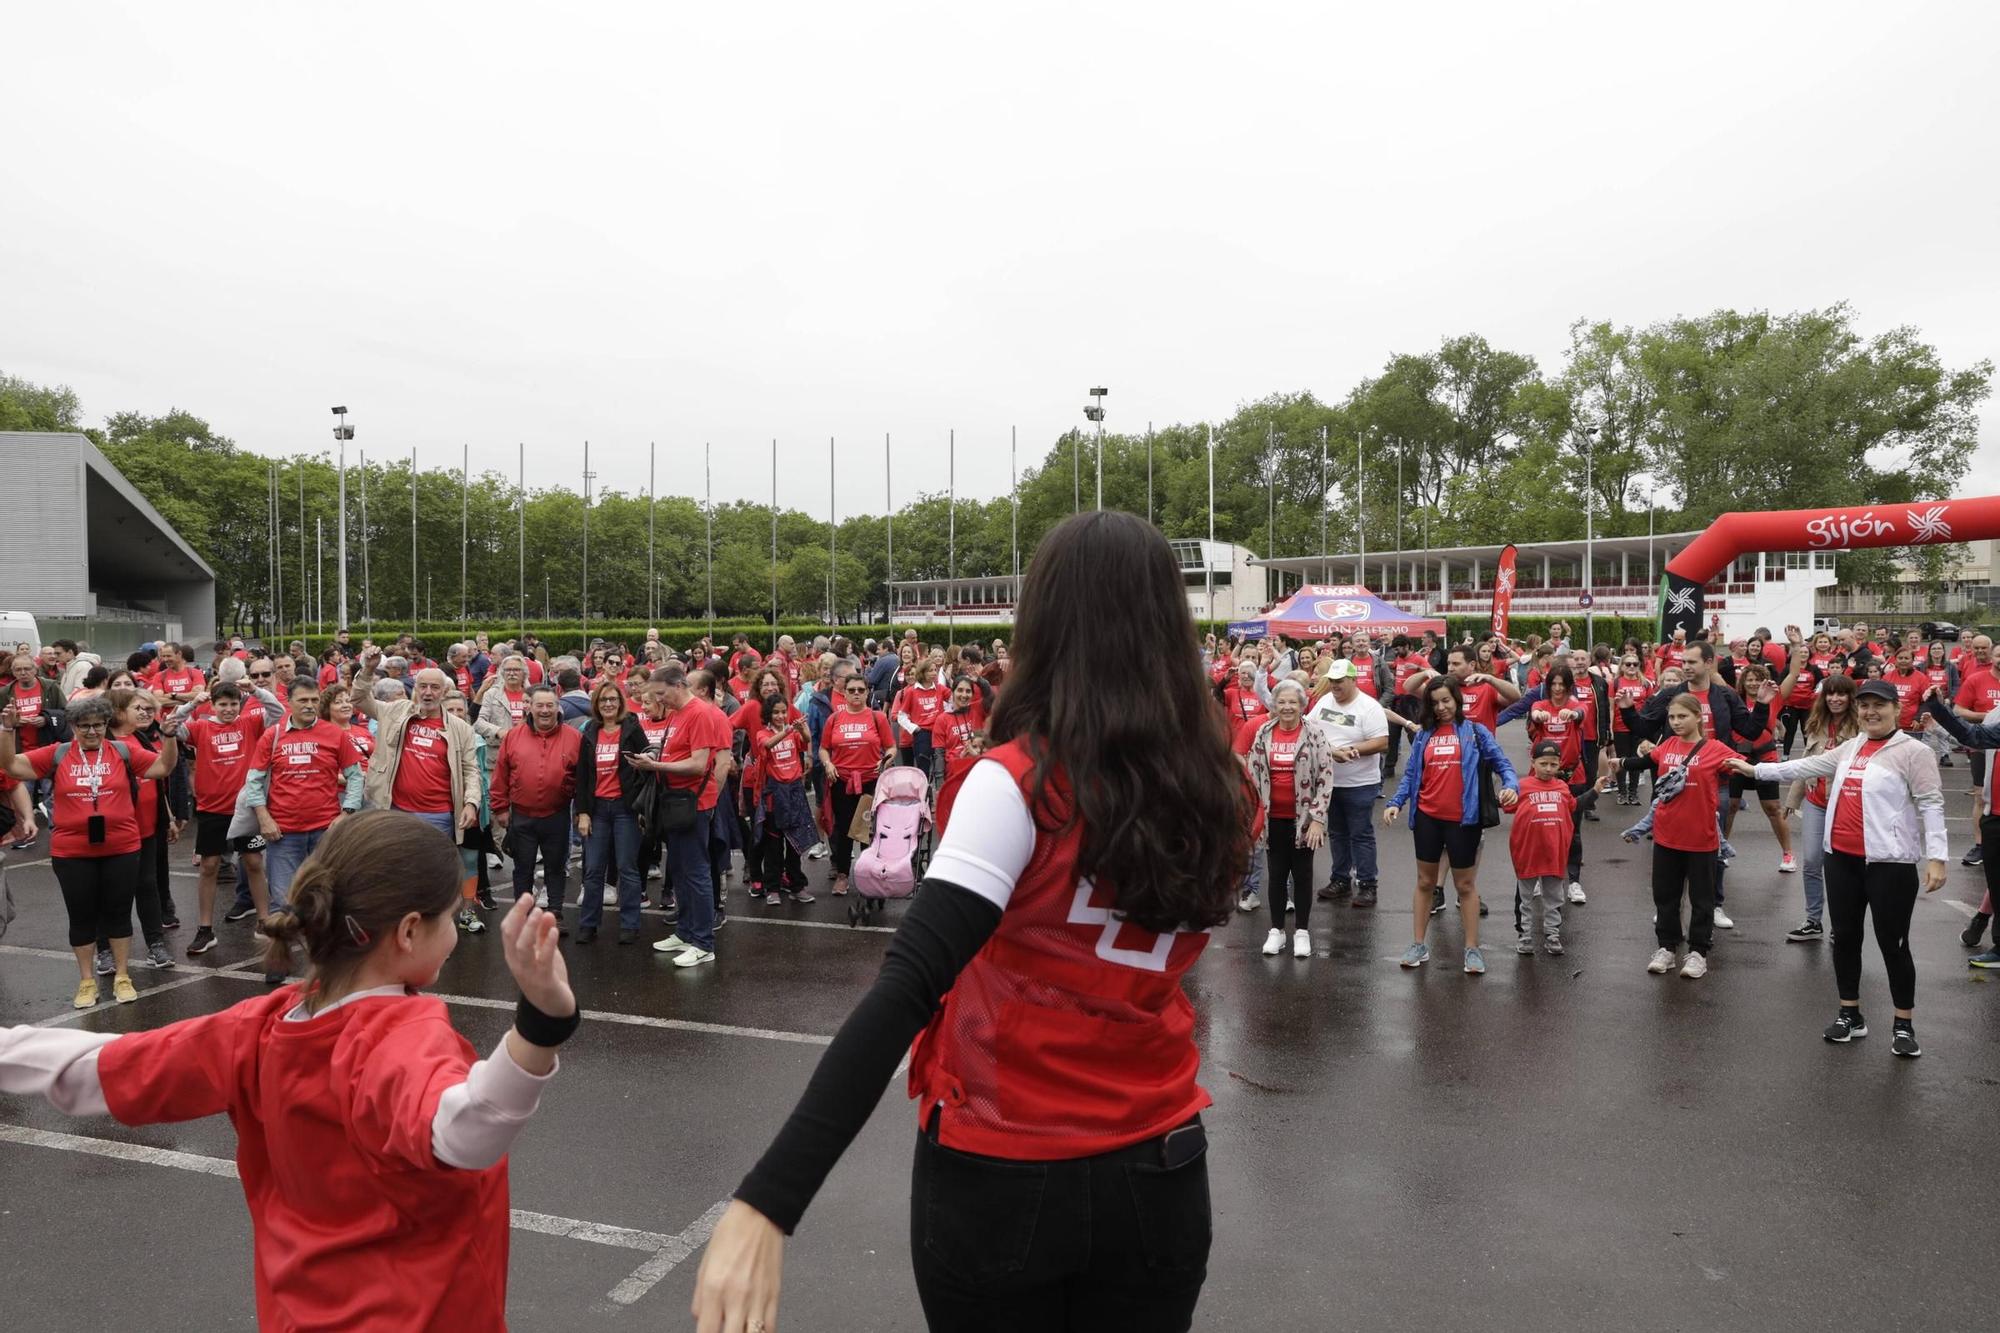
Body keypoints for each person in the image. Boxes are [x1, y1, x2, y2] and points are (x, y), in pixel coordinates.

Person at [693, 511, 1249, 1333]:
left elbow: (908, 984)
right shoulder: (1221, 781)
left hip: (1006, 1167)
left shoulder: (1019, 781)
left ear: (1045, 620)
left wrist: (770, 1197)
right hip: (1162, 1166)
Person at [0, 813, 577, 1331]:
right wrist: (541, 1020)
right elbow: (466, 1130)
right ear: (407, 931)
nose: (453, 934)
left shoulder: (257, 1027)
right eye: (450, 917)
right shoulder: (397, 1038)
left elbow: (90, 1069)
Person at [1747, 679, 1947, 1055]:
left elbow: (1932, 804)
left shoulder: (1912, 752)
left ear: (1896, 709)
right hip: (1841, 859)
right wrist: (1754, 770)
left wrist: (1937, 857)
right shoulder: (1850, 747)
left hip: (1889, 864)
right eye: (1865, 705)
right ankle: (1849, 1013)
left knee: (1894, 944)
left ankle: (1903, 1024)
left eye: (1880, 705)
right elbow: (1804, 766)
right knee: (1845, 938)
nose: (1871, 712)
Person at [1, 696, 176, 1006]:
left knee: (119, 914)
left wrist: (170, 737)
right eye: (84, 726)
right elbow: (12, 765)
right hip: (72, 852)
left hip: (121, 847)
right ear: (73, 726)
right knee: (81, 917)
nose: (92, 731)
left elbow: (163, 767)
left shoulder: (122, 751)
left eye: (98, 725)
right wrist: (6, 730)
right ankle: (86, 981)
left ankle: (122, 976)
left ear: (107, 724)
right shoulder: (60, 754)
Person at [1383, 675, 1519, 974]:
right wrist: (1395, 802)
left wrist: (1511, 786)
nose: (1442, 707)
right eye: (1435, 703)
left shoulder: (1474, 731)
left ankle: (1472, 950)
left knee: (1465, 885)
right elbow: (1410, 776)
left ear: (1457, 699)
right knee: (1424, 883)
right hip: (1427, 819)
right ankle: (1418, 944)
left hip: (1464, 820)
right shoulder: (1423, 735)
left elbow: (1503, 765)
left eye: (1446, 700)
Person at [1597, 692, 1734, 980]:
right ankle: (1667, 949)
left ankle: (1697, 953)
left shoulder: (1716, 748)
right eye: (1672, 717)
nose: (1676, 722)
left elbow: (1743, 767)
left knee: (1702, 899)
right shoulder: (1668, 744)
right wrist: (1620, 762)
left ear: (1699, 717)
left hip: (1701, 839)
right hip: (1667, 836)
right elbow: (1646, 762)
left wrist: (1760, 768)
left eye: (1682, 716)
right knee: (1666, 897)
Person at [244, 678, 365, 983]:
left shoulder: (334, 734)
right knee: (281, 901)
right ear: (289, 701)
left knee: (327, 898)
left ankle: (328, 962)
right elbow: (254, 781)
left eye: (314, 700)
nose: (309, 706)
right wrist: (264, 817)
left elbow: (355, 776)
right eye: (303, 701)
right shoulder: (272, 736)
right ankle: (278, 960)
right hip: (283, 834)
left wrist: (346, 813)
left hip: (325, 831)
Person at [170, 680, 284, 956]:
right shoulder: (201, 727)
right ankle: (205, 929)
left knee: (254, 862)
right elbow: (174, 725)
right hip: (211, 809)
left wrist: (255, 690)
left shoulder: (250, 724)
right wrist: (193, 703)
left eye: (233, 704)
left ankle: (264, 921)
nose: (229, 709)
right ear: (213, 705)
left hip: (246, 808)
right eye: (223, 704)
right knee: (209, 866)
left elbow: (278, 712)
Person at [636, 663, 731, 969]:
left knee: (697, 872)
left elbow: (699, 764)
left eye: (662, 693)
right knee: (680, 870)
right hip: (674, 800)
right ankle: (686, 932)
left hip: (692, 802)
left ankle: (703, 943)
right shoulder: (677, 713)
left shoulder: (700, 713)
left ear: (679, 685)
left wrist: (657, 767)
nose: (659, 700)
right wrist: (654, 757)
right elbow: (676, 752)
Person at [1238, 679, 1333, 958]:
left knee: (1302, 875)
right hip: (1272, 819)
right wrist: (1252, 816)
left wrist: (1317, 819)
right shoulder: (1264, 732)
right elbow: (1253, 775)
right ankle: (1276, 931)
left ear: (1302, 705)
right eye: (1282, 702)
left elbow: (1326, 778)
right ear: (1274, 705)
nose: (1287, 707)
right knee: (1276, 875)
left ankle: (1301, 932)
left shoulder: (1314, 733)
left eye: (1293, 702)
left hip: (1303, 820)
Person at [1775, 673, 1859, 944]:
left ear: (1850, 697)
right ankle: (1813, 921)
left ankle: (1841, 924)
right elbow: (1806, 763)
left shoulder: (1860, 729)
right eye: (1830, 694)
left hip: (1846, 805)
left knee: (1840, 867)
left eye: (1841, 694)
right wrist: (1792, 800)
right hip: (1815, 802)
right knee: (1812, 861)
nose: (1835, 699)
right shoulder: (1816, 723)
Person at [490, 683, 583, 928]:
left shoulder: (574, 738)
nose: (544, 710)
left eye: (549, 705)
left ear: (558, 707)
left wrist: (580, 808)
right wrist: (499, 807)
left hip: (557, 814)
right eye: (539, 705)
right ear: (529, 708)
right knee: (523, 868)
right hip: (522, 815)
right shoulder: (513, 736)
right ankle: (523, 915)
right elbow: (500, 774)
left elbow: (585, 778)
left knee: (555, 867)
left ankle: (555, 913)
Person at [1924, 687, 2000, 967]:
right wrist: (1938, 708)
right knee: (1996, 881)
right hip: (1995, 815)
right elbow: (1972, 736)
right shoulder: (1996, 714)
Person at [1307, 659, 1390, 909]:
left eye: (1340, 681)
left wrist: (1351, 749)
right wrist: (1330, 751)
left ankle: (1367, 884)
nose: (1334, 686)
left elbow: (1382, 742)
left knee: (1360, 834)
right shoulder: (1324, 702)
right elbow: (1309, 728)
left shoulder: (1368, 706)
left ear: (1353, 680)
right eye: (1332, 681)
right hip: (1330, 782)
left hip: (1360, 783)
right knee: (1337, 833)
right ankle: (1340, 879)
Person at [574, 680, 648, 943]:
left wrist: (641, 808)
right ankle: (588, 924)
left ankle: (630, 924)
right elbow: (581, 777)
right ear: (597, 703)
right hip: (597, 810)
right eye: (603, 700)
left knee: (627, 868)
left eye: (613, 699)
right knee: (593, 869)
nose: (608, 704)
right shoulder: (589, 732)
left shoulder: (632, 729)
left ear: (620, 702)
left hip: (625, 809)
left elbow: (647, 769)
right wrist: (582, 813)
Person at [819, 672, 896, 898]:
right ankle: (843, 876)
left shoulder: (876, 718)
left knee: (868, 832)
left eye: (860, 690)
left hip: (870, 782)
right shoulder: (834, 719)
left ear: (867, 692)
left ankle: (868, 875)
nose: (856, 694)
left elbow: (891, 747)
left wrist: (886, 760)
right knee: (843, 832)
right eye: (851, 690)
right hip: (841, 782)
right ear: (844, 693)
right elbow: (823, 748)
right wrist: (828, 764)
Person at [745, 692, 819, 905]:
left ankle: (797, 885)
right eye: (776, 712)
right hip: (774, 794)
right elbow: (767, 745)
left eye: (783, 712)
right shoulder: (762, 733)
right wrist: (788, 730)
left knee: (795, 843)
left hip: (794, 790)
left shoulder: (792, 732)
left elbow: (806, 740)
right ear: (768, 714)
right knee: (773, 844)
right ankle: (772, 887)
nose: (780, 715)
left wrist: (802, 728)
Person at [1509, 741, 1576, 955]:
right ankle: (1525, 935)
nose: (1548, 769)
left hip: (1554, 852)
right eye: (1543, 763)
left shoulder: (1562, 788)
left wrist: (1595, 791)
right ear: (1533, 762)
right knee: (1525, 897)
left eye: (1553, 764)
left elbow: (1573, 807)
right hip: (1528, 852)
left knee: (1554, 896)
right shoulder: (1522, 785)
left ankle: (1552, 934)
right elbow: (1507, 804)